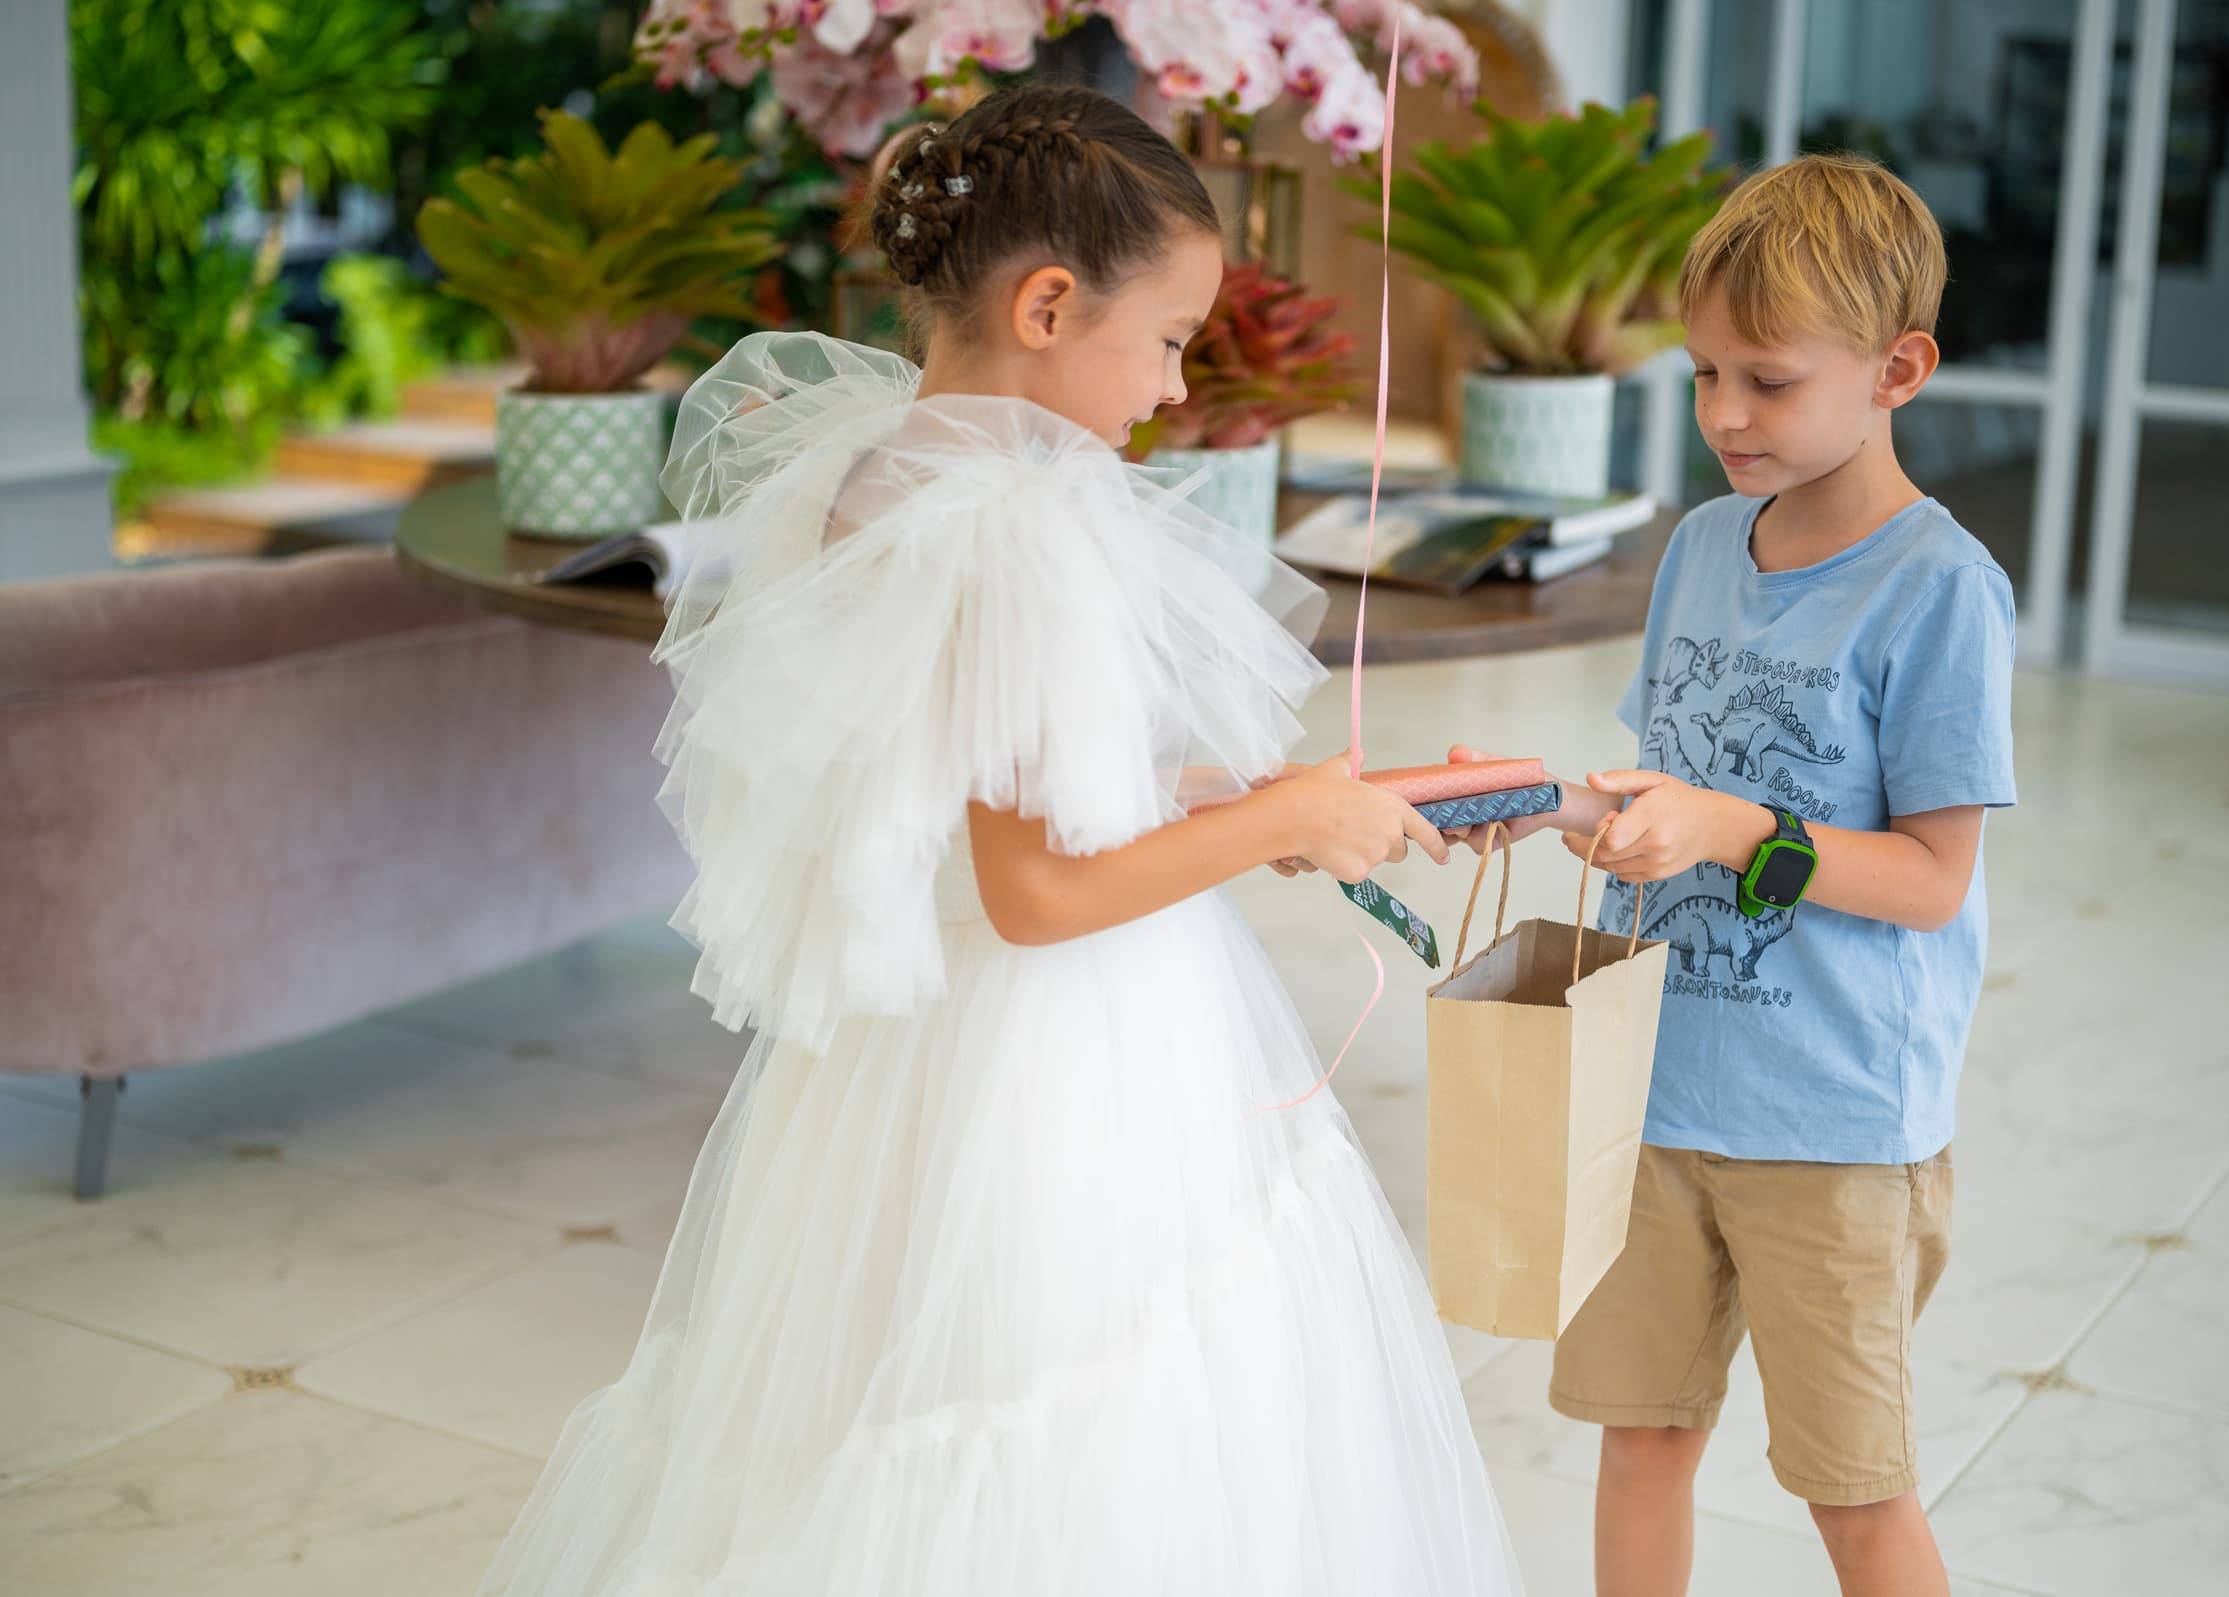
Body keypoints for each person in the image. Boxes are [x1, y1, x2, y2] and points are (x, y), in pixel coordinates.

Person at [475, 83, 1523, 1597]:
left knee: (883, 1406)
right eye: (1168, 339)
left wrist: (1260, 808)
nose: (1175, 386)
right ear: (1046, 305)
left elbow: (1012, 786)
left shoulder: (879, 470)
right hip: (1049, 1057)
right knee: (1072, 1406)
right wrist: (1279, 818)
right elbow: (1035, 892)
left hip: (902, 1054)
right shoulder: (1015, 525)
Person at [1452, 152, 2016, 1597]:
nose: (1722, 415)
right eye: (1704, 373)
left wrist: (1730, 832)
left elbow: (1932, 878)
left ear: (1898, 370)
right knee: (1639, 1437)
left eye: (1768, 381)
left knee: (1853, 1492)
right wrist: (1548, 804)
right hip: (1652, 1088)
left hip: (1833, 1127)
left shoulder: (1940, 589)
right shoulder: (1703, 545)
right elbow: (1675, 789)